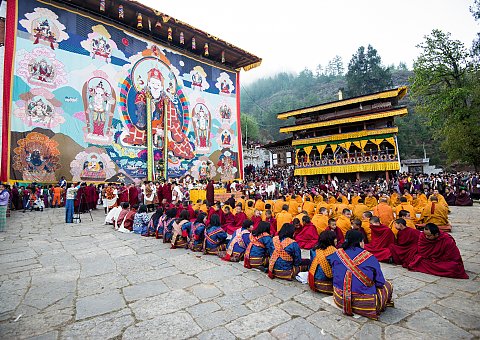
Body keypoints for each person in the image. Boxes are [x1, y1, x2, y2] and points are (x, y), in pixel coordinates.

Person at [328, 230, 394, 320]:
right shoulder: (370, 257)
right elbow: (380, 282)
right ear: (360, 242)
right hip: (365, 305)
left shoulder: (336, 254)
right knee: (388, 285)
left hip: (340, 299)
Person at [308, 230, 337, 294]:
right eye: (334, 239)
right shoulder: (334, 252)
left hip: (312, 281)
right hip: (326, 284)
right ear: (330, 240)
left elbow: (310, 264)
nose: (336, 240)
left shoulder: (314, 250)